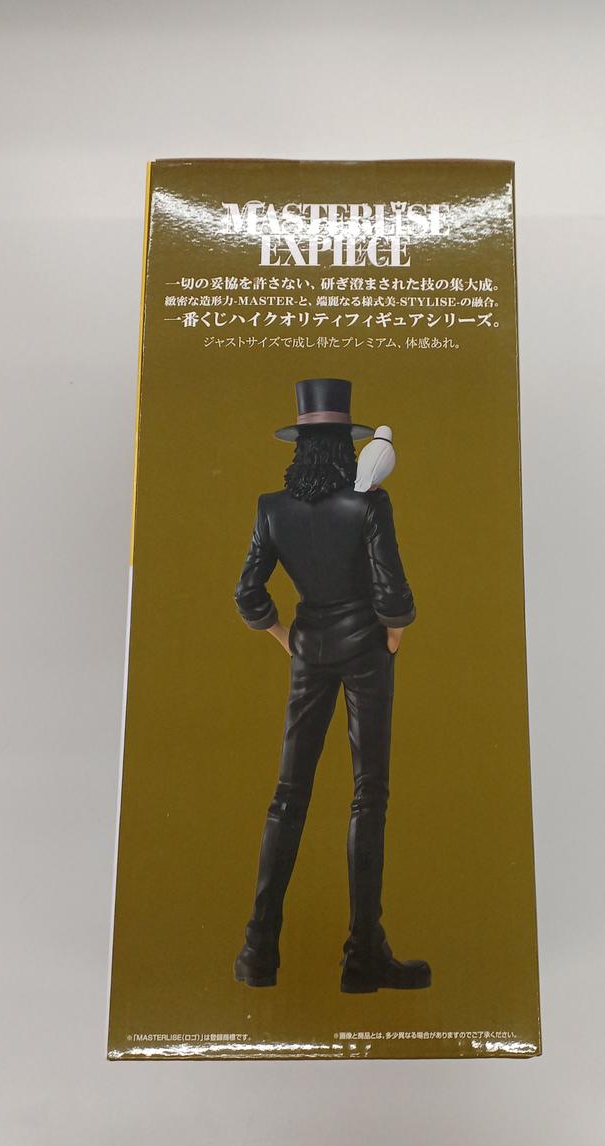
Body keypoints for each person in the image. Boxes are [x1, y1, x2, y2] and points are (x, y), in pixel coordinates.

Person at [232, 377, 431, 995]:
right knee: (368, 797)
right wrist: (394, 634)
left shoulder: (273, 507)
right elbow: (393, 593)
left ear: (299, 447)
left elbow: (248, 593)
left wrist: (285, 637)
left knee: (287, 796)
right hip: (366, 651)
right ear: (347, 446)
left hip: (309, 649)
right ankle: (363, 956)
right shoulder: (369, 504)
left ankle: (258, 951)